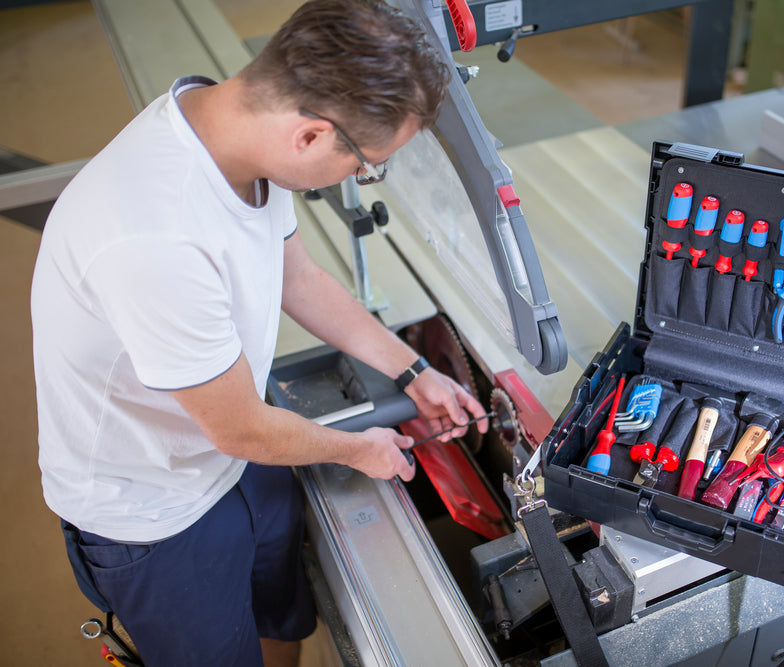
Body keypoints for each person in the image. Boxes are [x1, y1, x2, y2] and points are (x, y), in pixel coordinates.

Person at [30, 1, 487, 665]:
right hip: (153, 512)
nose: (363, 177)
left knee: (284, 619)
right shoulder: (154, 234)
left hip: (234, 455)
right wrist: (358, 450)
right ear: (310, 136)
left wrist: (414, 371)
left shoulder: (236, 133)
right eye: (368, 164)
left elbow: (297, 278)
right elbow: (240, 428)